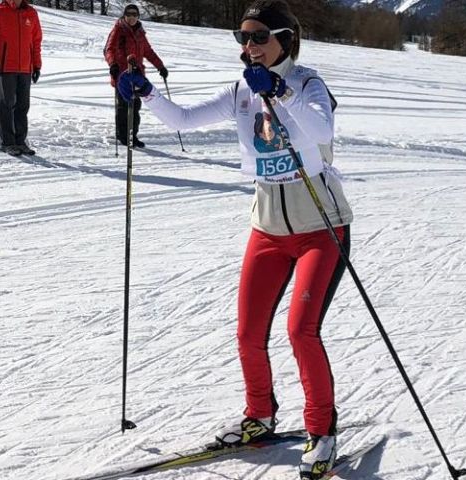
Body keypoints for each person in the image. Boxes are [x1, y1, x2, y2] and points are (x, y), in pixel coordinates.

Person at [116, 1, 352, 478]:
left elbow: (322, 129)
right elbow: (183, 119)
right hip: (267, 229)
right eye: (242, 38)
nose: (249, 47)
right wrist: (145, 94)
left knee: (300, 330)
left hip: (320, 230)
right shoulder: (243, 88)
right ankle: (259, 416)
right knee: (248, 333)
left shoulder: (308, 84)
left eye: (259, 36)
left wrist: (282, 92)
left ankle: (321, 431)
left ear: (285, 38)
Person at [0, 0, 43, 157]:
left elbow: (36, 41)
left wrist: (36, 65)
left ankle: (21, 142)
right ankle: (7, 142)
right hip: (5, 67)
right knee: (6, 105)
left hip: (25, 68)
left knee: (23, 106)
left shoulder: (31, 13)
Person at [104, 3, 168, 149]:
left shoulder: (140, 32)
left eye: (135, 15)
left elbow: (148, 51)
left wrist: (160, 66)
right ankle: (123, 136)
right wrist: (112, 64)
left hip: (137, 75)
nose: (132, 17)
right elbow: (109, 50)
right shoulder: (118, 30)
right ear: (124, 16)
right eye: (129, 14)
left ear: (138, 16)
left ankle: (133, 136)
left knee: (135, 106)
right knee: (124, 106)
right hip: (121, 75)